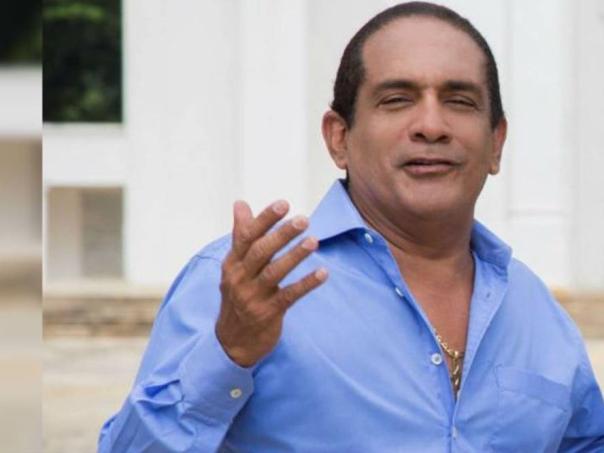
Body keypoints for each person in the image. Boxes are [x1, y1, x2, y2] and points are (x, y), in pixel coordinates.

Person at [98, 2, 604, 451]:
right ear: (338, 138)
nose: (431, 126)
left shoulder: (538, 315)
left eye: (460, 101)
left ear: (496, 143)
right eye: (397, 99)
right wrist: (229, 353)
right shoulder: (246, 287)